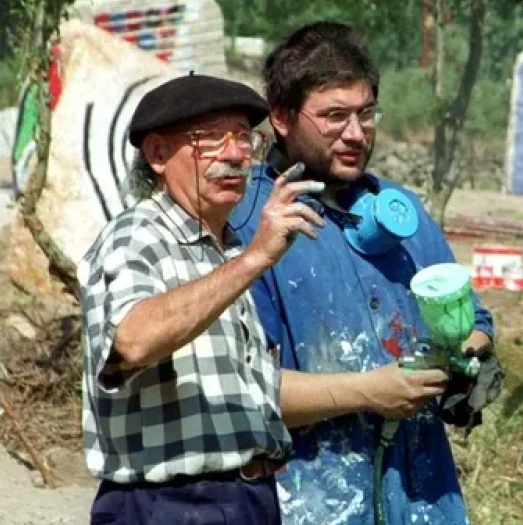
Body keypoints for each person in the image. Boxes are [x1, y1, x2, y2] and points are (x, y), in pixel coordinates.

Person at [226, 21, 501, 525]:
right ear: (282, 118)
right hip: (313, 501)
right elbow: (243, 389)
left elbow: (476, 320)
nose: (356, 133)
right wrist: (368, 393)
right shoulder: (248, 226)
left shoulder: (404, 214)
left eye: (366, 113)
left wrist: (464, 360)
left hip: (427, 500)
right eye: (334, 116)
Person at [77, 72, 328, 525]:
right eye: (210, 140)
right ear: (157, 154)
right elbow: (132, 339)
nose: (234, 155)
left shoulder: (225, 249)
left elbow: (255, 390)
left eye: (243, 139)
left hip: (247, 500)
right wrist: (253, 260)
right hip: (170, 504)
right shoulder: (136, 236)